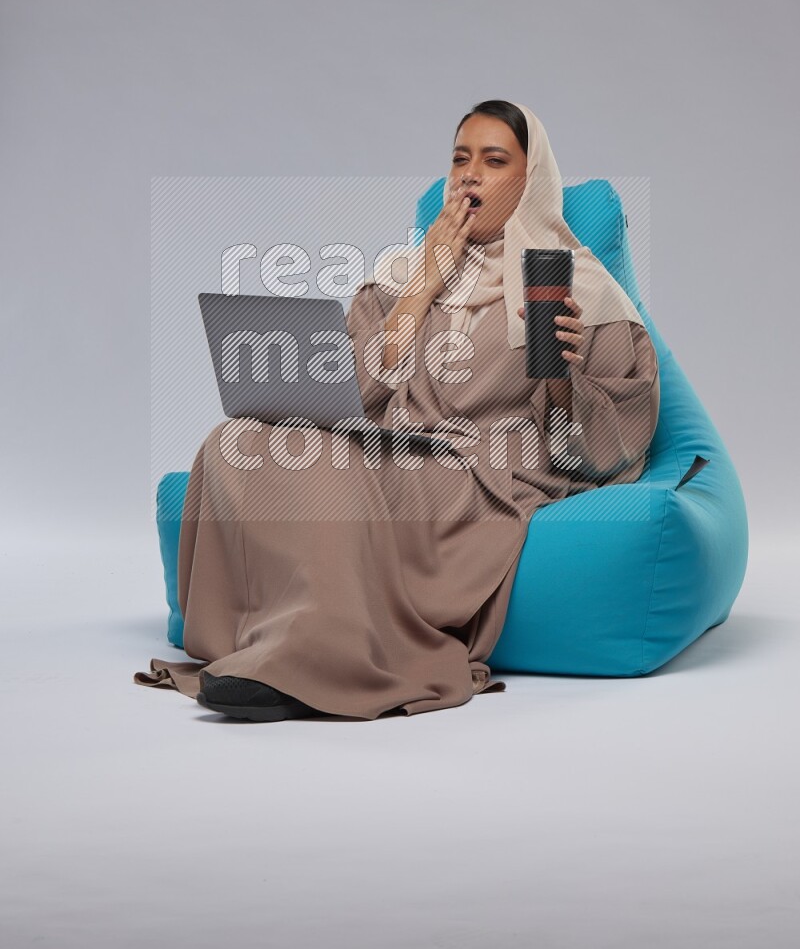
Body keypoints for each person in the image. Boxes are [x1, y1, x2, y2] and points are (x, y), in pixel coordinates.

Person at [134, 100, 660, 721]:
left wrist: (568, 376)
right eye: (460, 159)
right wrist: (421, 288)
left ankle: (309, 662)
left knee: (328, 473)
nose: (470, 176)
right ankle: (267, 640)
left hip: (483, 472)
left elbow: (610, 452)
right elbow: (349, 392)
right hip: (391, 447)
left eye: (494, 161)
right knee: (235, 441)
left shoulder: (580, 287)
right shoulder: (401, 274)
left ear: (531, 178)